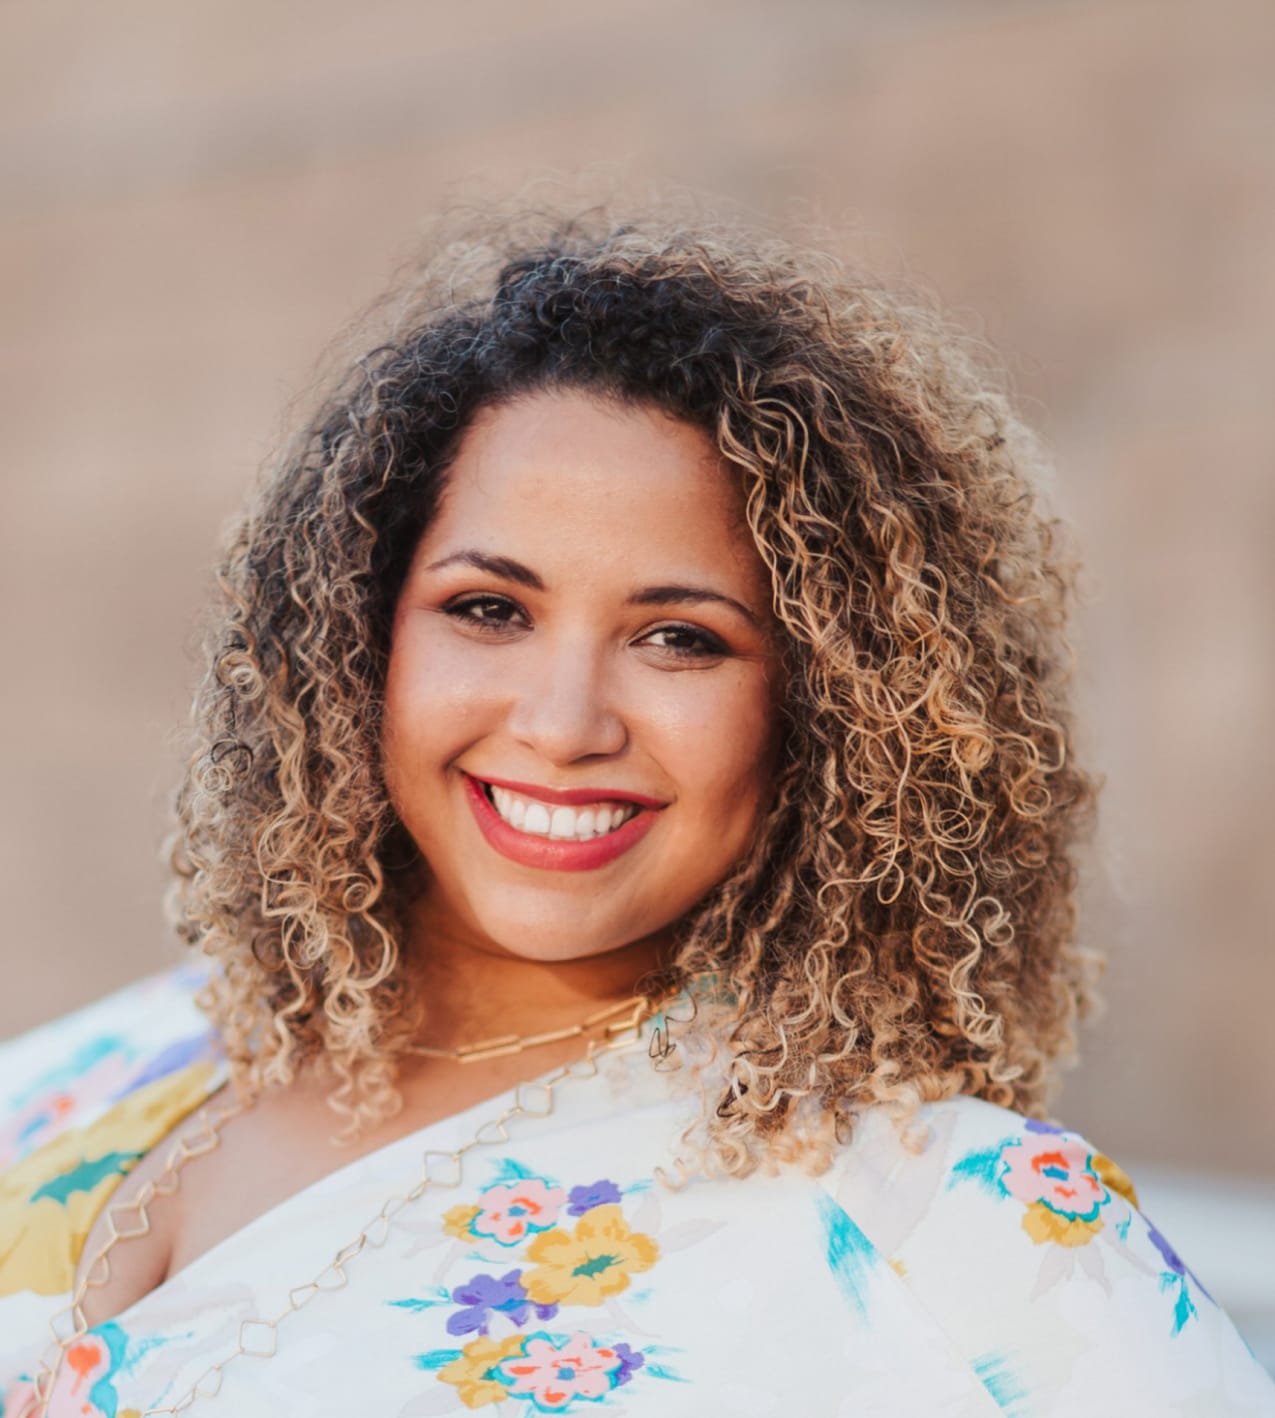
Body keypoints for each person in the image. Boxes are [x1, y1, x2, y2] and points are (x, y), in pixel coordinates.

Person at [1, 205, 1270, 1418]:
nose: (562, 722)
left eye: (680, 637)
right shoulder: (118, 1056)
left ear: (831, 706)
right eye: (488, 608)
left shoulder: (962, 1229)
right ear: (355, 638)